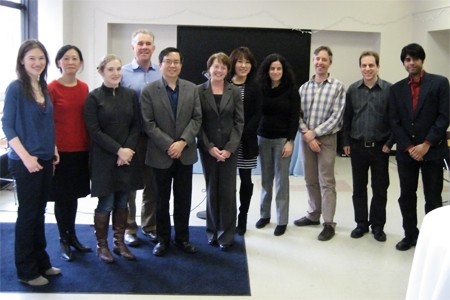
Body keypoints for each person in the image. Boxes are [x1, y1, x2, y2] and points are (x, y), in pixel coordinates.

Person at [2, 40, 61, 286]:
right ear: (22, 61)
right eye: (32, 58)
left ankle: (42, 262)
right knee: (27, 215)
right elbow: (8, 125)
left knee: (39, 212)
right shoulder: (16, 88)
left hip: (45, 158)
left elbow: (46, 124)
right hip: (26, 162)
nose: (37, 63)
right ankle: (26, 270)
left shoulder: (42, 86)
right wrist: (26, 158)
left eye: (41, 58)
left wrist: (54, 148)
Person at [140, 47, 202, 257]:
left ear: (181, 65)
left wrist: (182, 142)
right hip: (160, 154)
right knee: (160, 200)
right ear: (160, 64)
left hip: (185, 153)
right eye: (168, 61)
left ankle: (183, 238)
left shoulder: (192, 89)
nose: (173, 65)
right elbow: (148, 123)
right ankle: (162, 239)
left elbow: (197, 118)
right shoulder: (149, 90)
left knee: (183, 199)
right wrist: (169, 144)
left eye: (176, 62)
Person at [389, 43, 449, 251]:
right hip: (407, 154)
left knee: (433, 197)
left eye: (414, 58)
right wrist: (408, 147)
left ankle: (432, 239)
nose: (411, 62)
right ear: (403, 63)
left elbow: (444, 117)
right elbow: (394, 121)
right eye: (407, 59)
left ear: (422, 60)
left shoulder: (440, 83)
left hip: (432, 152)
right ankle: (410, 234)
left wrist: (426, 144)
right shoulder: (396, 89)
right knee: (406, 195)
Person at [84, 54, 143, 263]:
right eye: (110, 69)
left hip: (127, 157)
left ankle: (120, 243)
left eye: (118, 69)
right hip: (104, 158)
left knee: (123, 201)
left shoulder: (130, 95)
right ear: (101, 72)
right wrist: (119, 150)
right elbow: (94, 131)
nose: (116, 73)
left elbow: (137, 125)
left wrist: (127, 150)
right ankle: (102, 246)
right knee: (106, 203)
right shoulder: (93, 98)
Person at [295, 45, 346, 241]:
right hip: (306, 139)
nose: (320, 62)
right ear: (314, 61)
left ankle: (328, 223)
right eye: (317, 59)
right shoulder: (304, 88)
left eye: (324, 59)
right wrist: (307, 134)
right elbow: (297, 114)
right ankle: (313, 215)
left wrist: (314, 133)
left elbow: (337, 117)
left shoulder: (337, 87)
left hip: (326, 139)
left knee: (327, 182)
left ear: (329, 63)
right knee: (310, 179)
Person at [342, 51, 393, 242]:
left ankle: (378, 226)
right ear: (360, 67)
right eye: (364, 65)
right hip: (358, 147)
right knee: (359, 188)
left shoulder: (389, 90)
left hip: (381, 148)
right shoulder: (353, 90)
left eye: (371, 65)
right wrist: (345, 142)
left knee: (380, 188)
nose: (367, 69)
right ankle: (361, 224)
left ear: (378, 67)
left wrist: (390, 143)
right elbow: (347, 118)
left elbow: (395, 120)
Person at [48, 45, 92, 262]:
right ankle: (62, 238)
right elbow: (46, 122)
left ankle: (73, 236)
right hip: (60, 152)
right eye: (66, 58)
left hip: (81, 149)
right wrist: (52, 149)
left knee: (73, 196)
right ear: (58, 62)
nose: (71, 62)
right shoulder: (51, 88)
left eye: (75, 58)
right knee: (61, 197)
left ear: (80, 62)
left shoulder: (84, 87)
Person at [197, 52, 244, 251]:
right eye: (215, 66)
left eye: (223, 67)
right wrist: (209, 147)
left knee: (227, 191)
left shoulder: (234, 91)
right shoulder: (199, 91)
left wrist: (229, 148)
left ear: (227, 70)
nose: (219, 70)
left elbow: (239, 121)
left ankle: (226, 234)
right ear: (209, 68)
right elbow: (197, 121)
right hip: (208, 148)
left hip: (229, 150)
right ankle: (212, 231)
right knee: (211, 189)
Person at [121, 29, 162, 246]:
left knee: (151, 184)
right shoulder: (123, 72)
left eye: (148, 43)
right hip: (131, 138)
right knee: (129, 185)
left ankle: (150, 225)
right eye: (140, 44)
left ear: (153, 48)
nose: (144, 47)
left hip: (154, 138)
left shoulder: (161, 72)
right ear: (133, 47)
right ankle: (129, 228)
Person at [254, 53, 300, 236]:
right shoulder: (261, 88)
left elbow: (294, 117)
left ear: (284, 70)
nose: (275, 71)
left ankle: (282, 220)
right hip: (263, 139)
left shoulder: (291, 90)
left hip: (282, 141)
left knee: (282, 181)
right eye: (272, 68)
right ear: (267, 70)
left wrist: (290, 141)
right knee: (266, 180)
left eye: (278, 68)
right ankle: (264, 215)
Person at [228, 46, 262, 235]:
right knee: (227, 182)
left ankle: (243, 217)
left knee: (246, 180)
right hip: (226, 142)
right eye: (240, 61)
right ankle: (228, 216)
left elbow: (258, 113)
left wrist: (241, 133)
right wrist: (231, 135)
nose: (243, 65)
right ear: (233, 63)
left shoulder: (255, 86)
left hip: (247, 141)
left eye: (247, 62)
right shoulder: (225, 83)